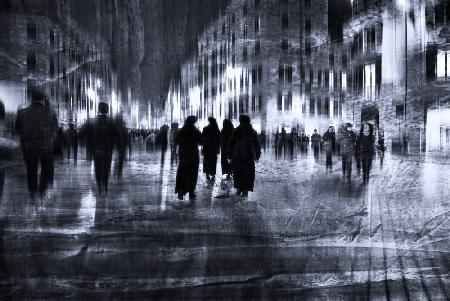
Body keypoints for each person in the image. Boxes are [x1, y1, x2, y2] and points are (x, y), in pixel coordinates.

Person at [15, 89, 58, 198]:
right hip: (46, 146)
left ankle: (32, 191)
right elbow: (55, 129)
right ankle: (42, 190)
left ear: (31, 99)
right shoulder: (51, 112)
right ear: (43, 99)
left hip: (29, 147)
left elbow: (17, 129)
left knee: (31, 169)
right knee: (45, 169)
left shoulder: (22, 113)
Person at [228, 115, 261, 197]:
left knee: (238, 172)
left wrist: (229, 154)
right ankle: (245, 190)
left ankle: (239, 188)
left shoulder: (237, 130)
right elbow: (257, 144)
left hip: (238, 154)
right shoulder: (252, 131)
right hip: (248, 155)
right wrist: (257, 154)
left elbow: (231, 143)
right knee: (248, 173)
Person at [90, 102, 117, 195]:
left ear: (98, 109)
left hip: (96, 150)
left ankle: (99, 187)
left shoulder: (93, 121)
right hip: (108, 150)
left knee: (97, 168)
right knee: (106, 168)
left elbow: (83, 134)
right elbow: (117, 136)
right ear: (107, 110)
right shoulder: (112, 122)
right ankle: (105, 185)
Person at [175, 116, 202, 200]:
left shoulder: (181, 130)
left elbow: (176, 141)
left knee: (182, 173)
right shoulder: (195, 131)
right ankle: (191, 192)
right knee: (193, 174)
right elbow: (201, 140)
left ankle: (180, 191)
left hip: (183, 155)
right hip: (193, 155)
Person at [202, 117, 220, 183]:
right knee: (213, 161)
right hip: (214, 148)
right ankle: (212, 174)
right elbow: (219, 140)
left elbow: (202, 138)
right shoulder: (216, 129)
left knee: (207, 160)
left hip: (207, 147)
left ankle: (207, 173)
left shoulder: (205, 128)